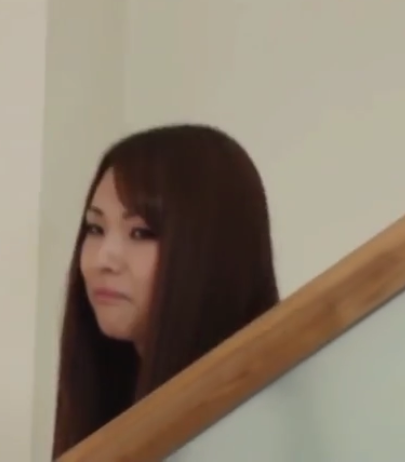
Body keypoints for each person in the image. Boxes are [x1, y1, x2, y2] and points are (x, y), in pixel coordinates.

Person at [51, 124, 281, 458]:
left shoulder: (259, 430)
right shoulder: (110, 403)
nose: (103, 260)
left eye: (141, 233)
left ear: (212, 253)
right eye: (96, 228)